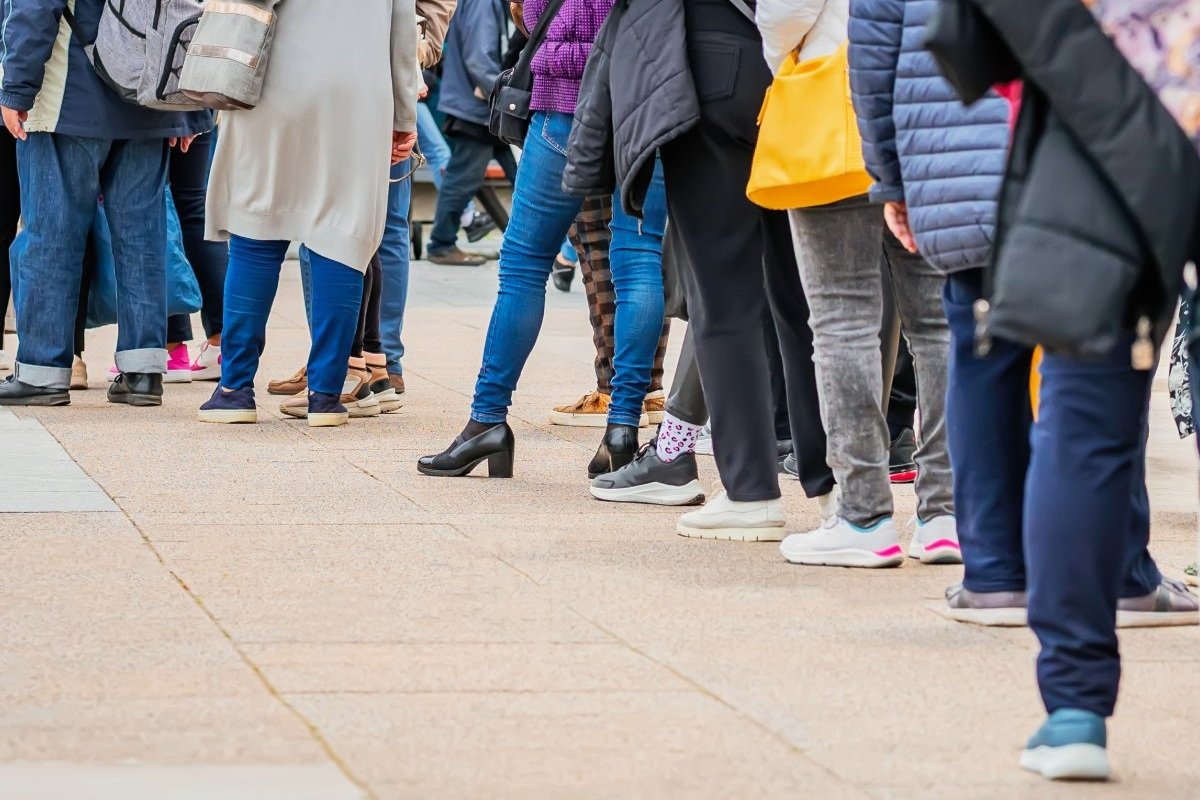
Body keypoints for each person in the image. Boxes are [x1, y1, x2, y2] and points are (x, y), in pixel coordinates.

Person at [933, 0, 1200, 780]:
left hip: (1105, 122)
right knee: (1085, 424)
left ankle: (1076, 708)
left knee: (1086, 427)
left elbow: (970, 39)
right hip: (1116, 110)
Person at [418, 0, 668, 479]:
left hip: (566, 103)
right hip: (648, 103)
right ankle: (622, 430)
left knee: (524, 265)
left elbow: (537, 13)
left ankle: (487, 420)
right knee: (639, 258)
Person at [198, 0, 420, 427]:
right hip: (360, 93)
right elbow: (403, 30)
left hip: (271, 85)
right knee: (341, 235)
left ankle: (234, 390)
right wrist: (403, 114)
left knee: (256, 232)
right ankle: (326, 396)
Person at [0, 0, 211, 407]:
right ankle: (143, 372)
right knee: (143, 238)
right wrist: (192, 111)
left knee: (51, 236)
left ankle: (42, 371)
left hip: (69, 99)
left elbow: (34, 6)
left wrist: (16, 87)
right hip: (148, 101)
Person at [425, 0, 518, 267]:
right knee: (463, 179)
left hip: (482, 106)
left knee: (522, 176)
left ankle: (523, 247)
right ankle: (441, 245)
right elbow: (479, 59)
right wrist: (507, 98)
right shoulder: (483, 3)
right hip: (477, 108)